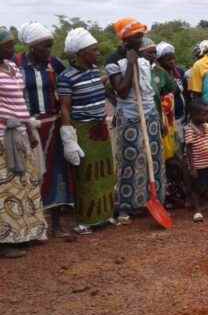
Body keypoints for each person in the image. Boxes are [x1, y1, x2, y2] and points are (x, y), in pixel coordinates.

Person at [15, 22, 73, 237]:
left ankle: (56, 224)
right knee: (29, 174)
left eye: (50, 46)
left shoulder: (54, 65)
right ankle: (31, 224)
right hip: (25, 127)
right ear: (31, 47)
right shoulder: (16, 64)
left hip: (52, 125)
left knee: (56, 172)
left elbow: (67, 85)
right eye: (44, 47)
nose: (48, 51)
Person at [106, 17, 165, 223]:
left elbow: (150, 90)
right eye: (137, 36)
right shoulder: (114, 60)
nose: (142, 39)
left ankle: (150, 200)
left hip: (150, 115)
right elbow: (121, 91)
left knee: (153, 159)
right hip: (130, 116)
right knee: (129, 159)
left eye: (142, 34)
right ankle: (125, 205)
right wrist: (130, 64)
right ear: (126, 38)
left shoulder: (144, 57)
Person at [58, 28, 116, 234]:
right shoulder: (66, 77)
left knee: (106, 171)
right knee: (87, 175)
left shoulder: (94, 72)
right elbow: (64, 107)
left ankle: (105, 214)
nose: (98, 54)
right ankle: (86, 220)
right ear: (82, 53)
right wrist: (69, 138)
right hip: (83, 129)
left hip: (100, 127)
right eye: (94, 51)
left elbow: (102, 88)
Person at [0, 27, 47, 258]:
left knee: (25, 184)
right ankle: (6, 240)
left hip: (20, 132)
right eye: (7, 45)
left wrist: (28, 129)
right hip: (2, 135)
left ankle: (25, 233)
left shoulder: (14, 69)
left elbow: (22, 102)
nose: (12, 49)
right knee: (5, 190)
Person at [155, 41, 188, 208]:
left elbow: (186, 94)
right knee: (169, 159)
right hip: (166, 122)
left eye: (173, 58)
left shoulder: (180, 73)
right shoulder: (157, 76)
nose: (172, 62)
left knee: (180, 156)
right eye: (167, 59)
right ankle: (168, 193)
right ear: (159, 60)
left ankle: (180, 190)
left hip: (180, 119)